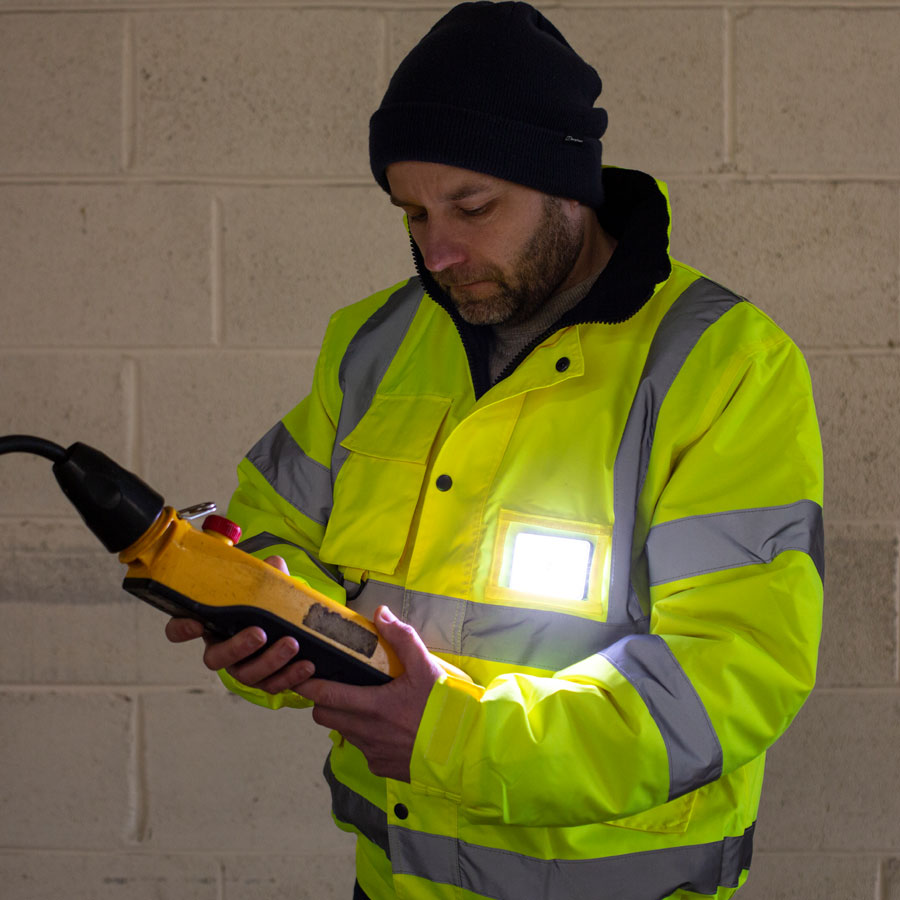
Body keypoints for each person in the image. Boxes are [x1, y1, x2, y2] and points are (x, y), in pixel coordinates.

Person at [166, 3, 824, 898]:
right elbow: (272, 532)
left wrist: (452, 738)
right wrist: (270, 628)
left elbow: (727, 675)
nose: (437, 252)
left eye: (473, 207)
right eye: (412, 213)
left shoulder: (723, 365)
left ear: (568, 186)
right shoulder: (374, 344)